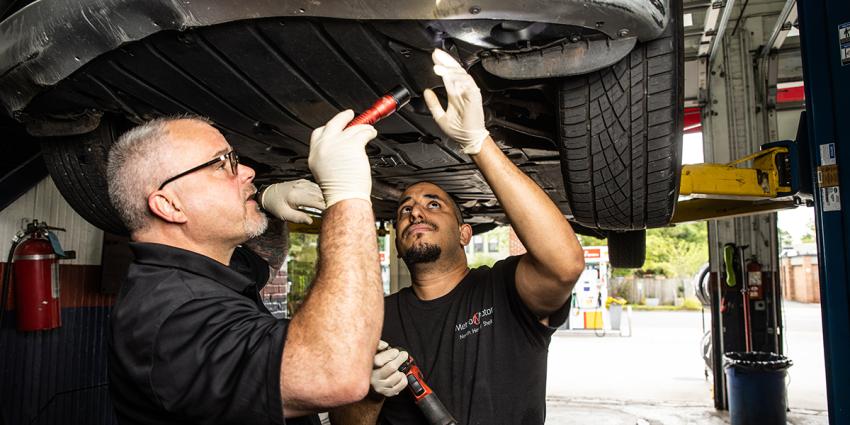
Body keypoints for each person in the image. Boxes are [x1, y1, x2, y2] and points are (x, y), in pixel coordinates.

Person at [329, 49, 586, 425]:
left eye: (434, 205)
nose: (415, 211)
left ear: (465, 233)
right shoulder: (374, 318)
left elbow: (565, 265)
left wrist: (478, 142)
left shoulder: (504, 289)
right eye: (404, 210)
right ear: (398, 245)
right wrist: (367, 392)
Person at [106, 111, 384, 424]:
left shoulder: (200, 270)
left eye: (234, 159)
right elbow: (331, 374)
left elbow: (266, 260)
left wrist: (263, 201)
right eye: (220, 164)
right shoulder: (173, 319)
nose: (248, 171)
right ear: (170, 205)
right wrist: (348, 196)